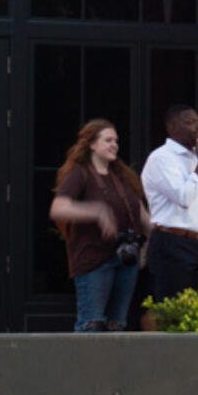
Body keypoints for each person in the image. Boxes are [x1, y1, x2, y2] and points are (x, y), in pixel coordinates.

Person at [50, 119, 147, 332]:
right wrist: (96, 212)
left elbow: (140, 213)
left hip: (126, 258)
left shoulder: (121, 176)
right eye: (108, 140)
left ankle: (111, 366)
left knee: (117, 324)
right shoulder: (80, 173)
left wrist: (146, 245)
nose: (114, 145)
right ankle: (84, 366)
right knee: (91, 323)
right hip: (94, 260)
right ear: (92, 144)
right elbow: (58, 208)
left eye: (116, 141)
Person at [140, 105, 198, 320]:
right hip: (172, 243)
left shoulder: (194, 158)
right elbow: (183, 197)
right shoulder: (161, 159)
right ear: (172, 128)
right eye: (190, 122)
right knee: (173, 314)